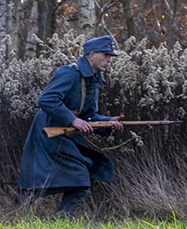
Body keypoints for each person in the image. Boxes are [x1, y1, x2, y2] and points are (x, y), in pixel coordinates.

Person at [16, 35, 125, 215]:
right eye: (106, 55)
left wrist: (108, 122)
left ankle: (54, 215)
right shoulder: (68, 72)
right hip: (49, 130)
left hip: (66, 133)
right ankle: (48, 211)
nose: (109, 60)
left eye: (110, 56)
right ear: (91, 55)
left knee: (79, 176)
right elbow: (47, 100)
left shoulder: (94, 79)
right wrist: (73, 120)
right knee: (80, 174)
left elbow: (88, 115)